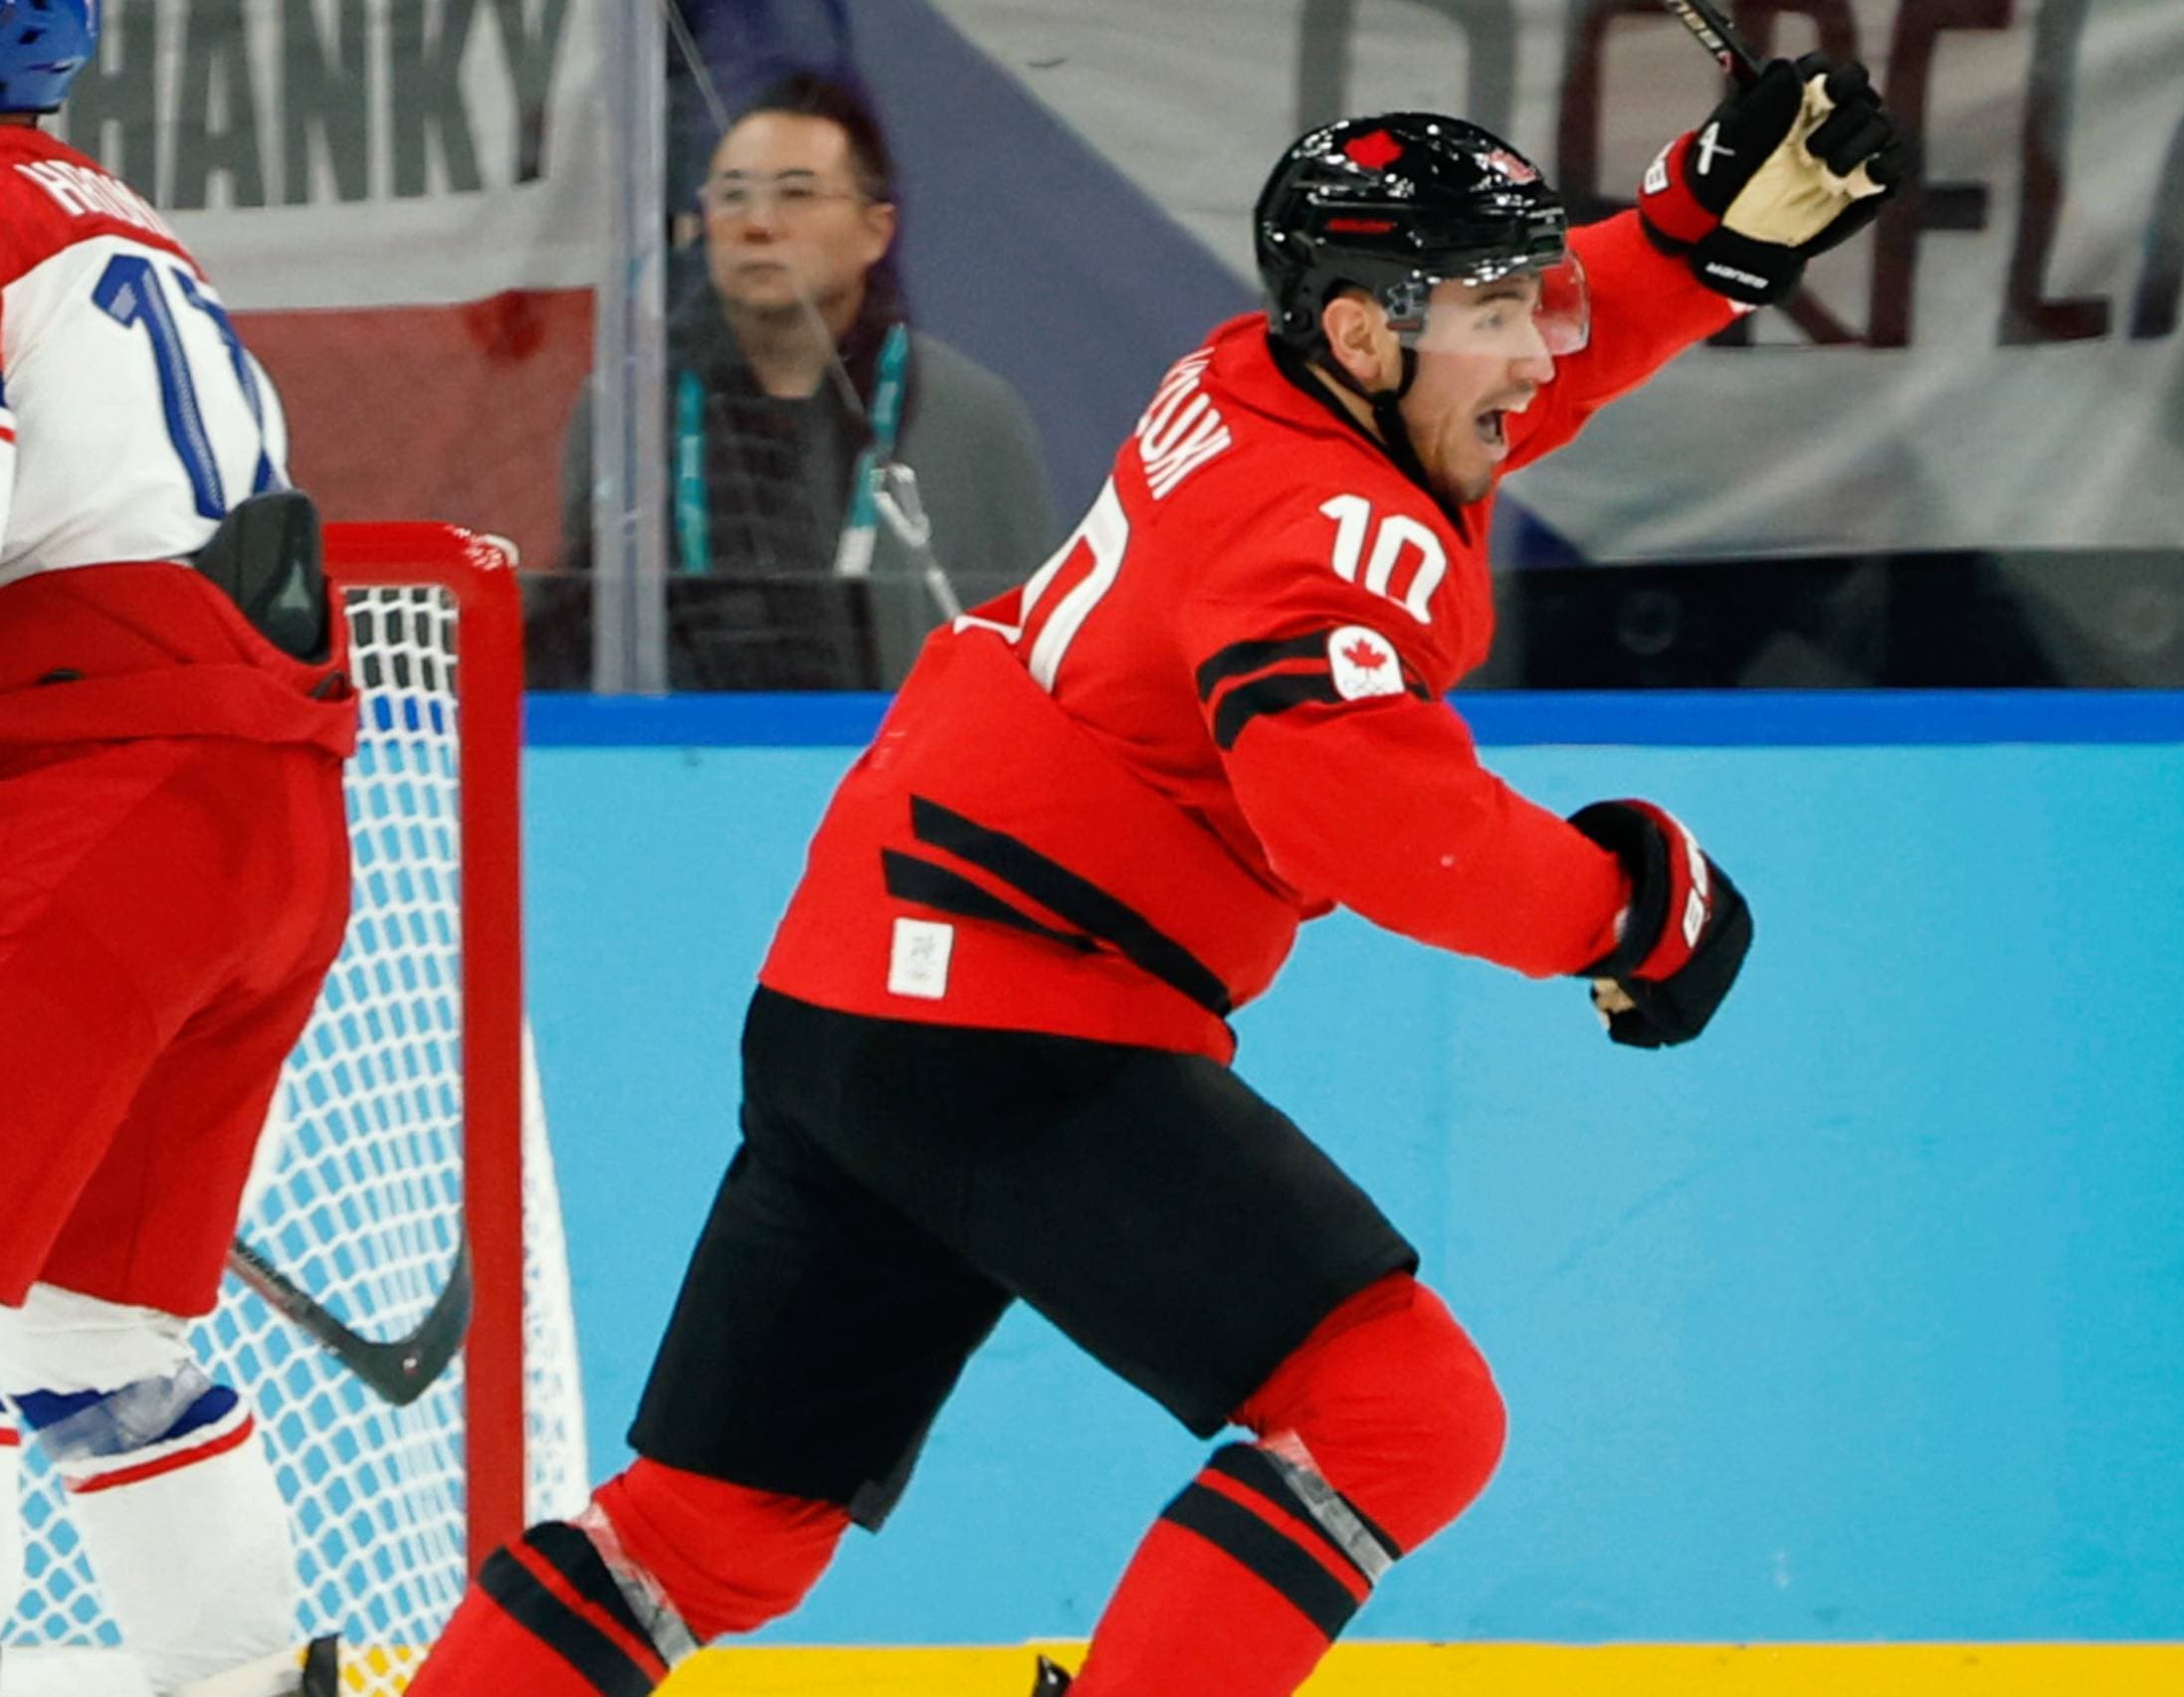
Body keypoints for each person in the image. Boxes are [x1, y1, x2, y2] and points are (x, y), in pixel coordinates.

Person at [412, 56, 1903, 1697]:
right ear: (1360, 334)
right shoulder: (1328, 527)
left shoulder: (1257, 374)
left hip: (854, 1007)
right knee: (1403, 1413)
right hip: (1017, 1020)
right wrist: (1619, 916)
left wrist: (1699, 232)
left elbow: (1506, 387)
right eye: (1496, 306)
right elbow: (1363, 814)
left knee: (707, 1534)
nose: (1536, 342)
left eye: (1524, 297)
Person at [0, 3, 358, 1694]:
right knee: (88, 1338)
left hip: (114, 798)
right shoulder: (110, 211)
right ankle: (237, 1684)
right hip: (269, 821)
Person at [556, 73, 1055, 686]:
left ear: (876, 230)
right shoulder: (628, 409)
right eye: (732, 196)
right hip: (680, 761)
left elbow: (1036, 656)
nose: (758, 224)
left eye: (796, 194)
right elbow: (577, 643)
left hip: (909, 763)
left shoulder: (972, 417)